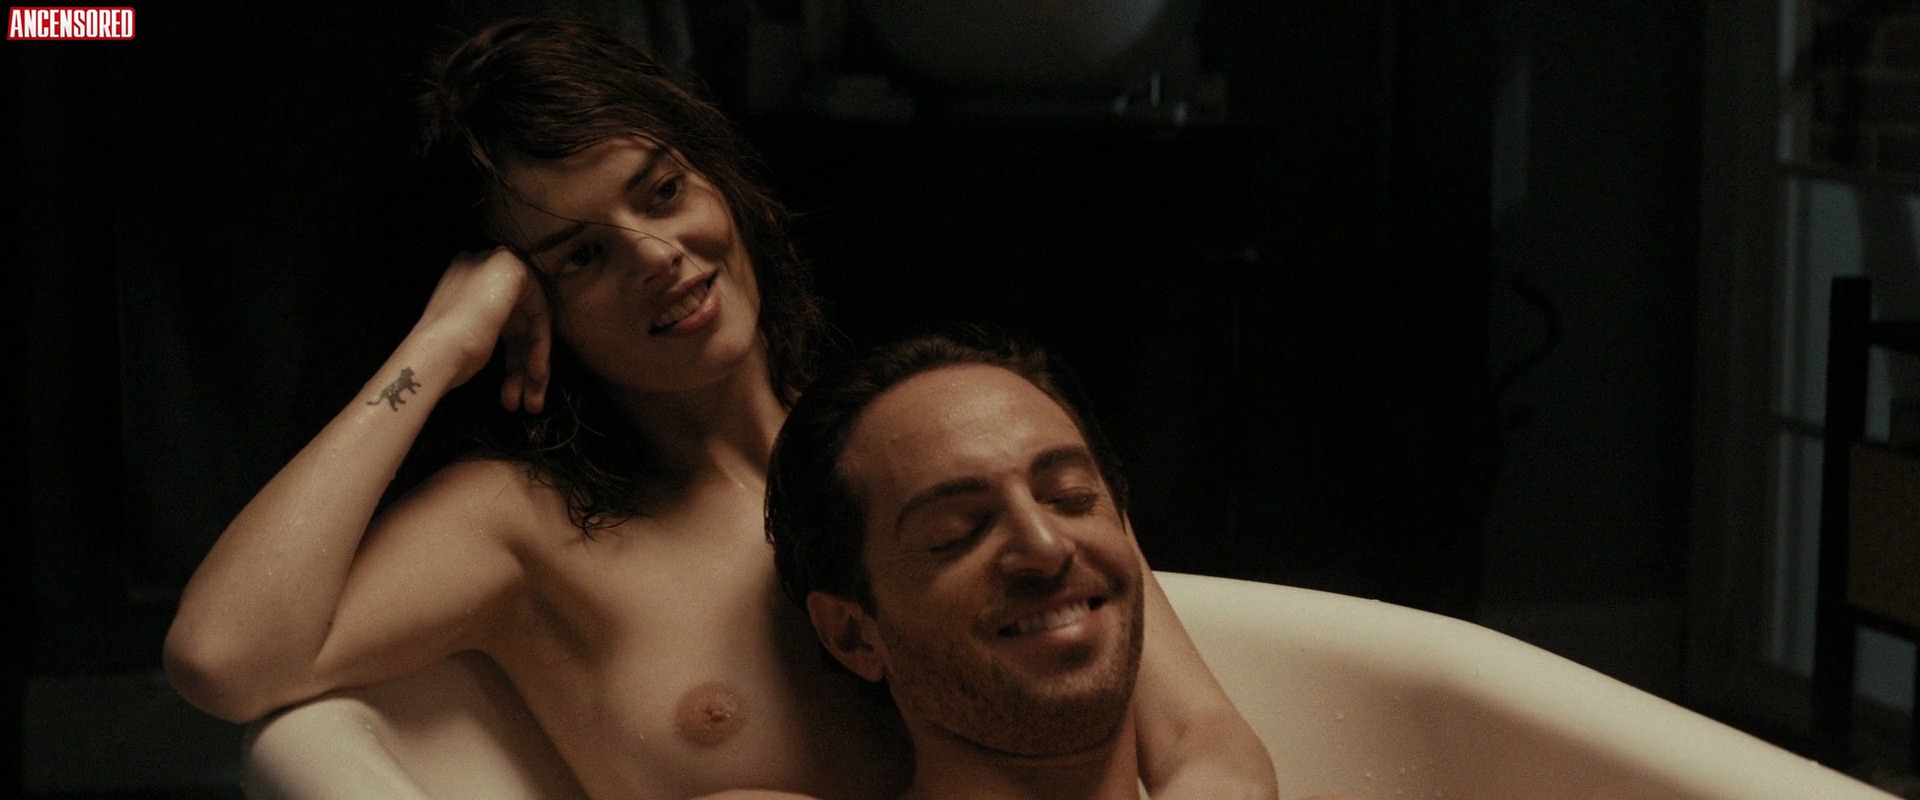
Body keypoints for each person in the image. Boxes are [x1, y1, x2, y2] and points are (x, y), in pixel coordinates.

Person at [163, 16, 1276, 800]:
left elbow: (1204, 744)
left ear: (719, 181)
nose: (658, 256)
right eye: (582, 254)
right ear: (527, 304)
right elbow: (224, 655)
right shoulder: (523, 530)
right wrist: (441, 341)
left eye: (663, 191)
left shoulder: (931, 450)